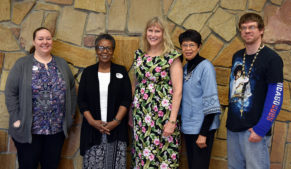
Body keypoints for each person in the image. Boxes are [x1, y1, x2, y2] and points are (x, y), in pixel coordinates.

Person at [5, 27, 77, 169]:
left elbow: (72, 88)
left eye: (48, 38)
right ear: (34, 42)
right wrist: (16, 118)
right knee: (28, 166)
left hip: (55, 130)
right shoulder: (22, 64)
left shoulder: (61, 64)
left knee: (51, 166)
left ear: (52, 41)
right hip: (29, 129)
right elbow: (10, 92)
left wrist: (70, 114)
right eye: (41, 39)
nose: (45, 42)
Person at [226, 13, 284, 169]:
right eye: (243, 28)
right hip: (233, 128)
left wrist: (261, 128)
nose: (247, 31)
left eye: (251, 27)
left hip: (254, 130)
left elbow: (276, 97)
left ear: (261, 30)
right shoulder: (237, 56)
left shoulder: (272, 59)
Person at [131, 16, 183, 168]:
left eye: (157, 31)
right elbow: (136, 84)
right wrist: (131, 112)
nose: (153, 34)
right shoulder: (139, 56)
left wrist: (172, 121)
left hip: (163, 117)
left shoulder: (172, 57)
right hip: (141, 116)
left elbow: (178, 90)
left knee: (163, 158)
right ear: (146, 32)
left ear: (163, 34)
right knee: (143, 157)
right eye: (150, 30)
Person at [78, 33, 132, 169]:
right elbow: (81, 101)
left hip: (116, 130)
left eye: (109, 48)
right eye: (101, 47)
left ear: (113, 51)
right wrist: (92, 122)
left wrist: (115, 122)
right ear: (96, 50)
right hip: (92, 130)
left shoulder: (121, 71)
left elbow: (126, 100)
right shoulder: (88, 72)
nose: (105, 51)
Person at [178, 29, 221, 169]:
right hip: (189, 127)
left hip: (203, 129)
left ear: (199, 46)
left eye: (192, 45)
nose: (188, 49)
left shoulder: (206, 67)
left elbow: (211, 102)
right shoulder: (184, 68)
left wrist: (203, 134)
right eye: (185, 45)